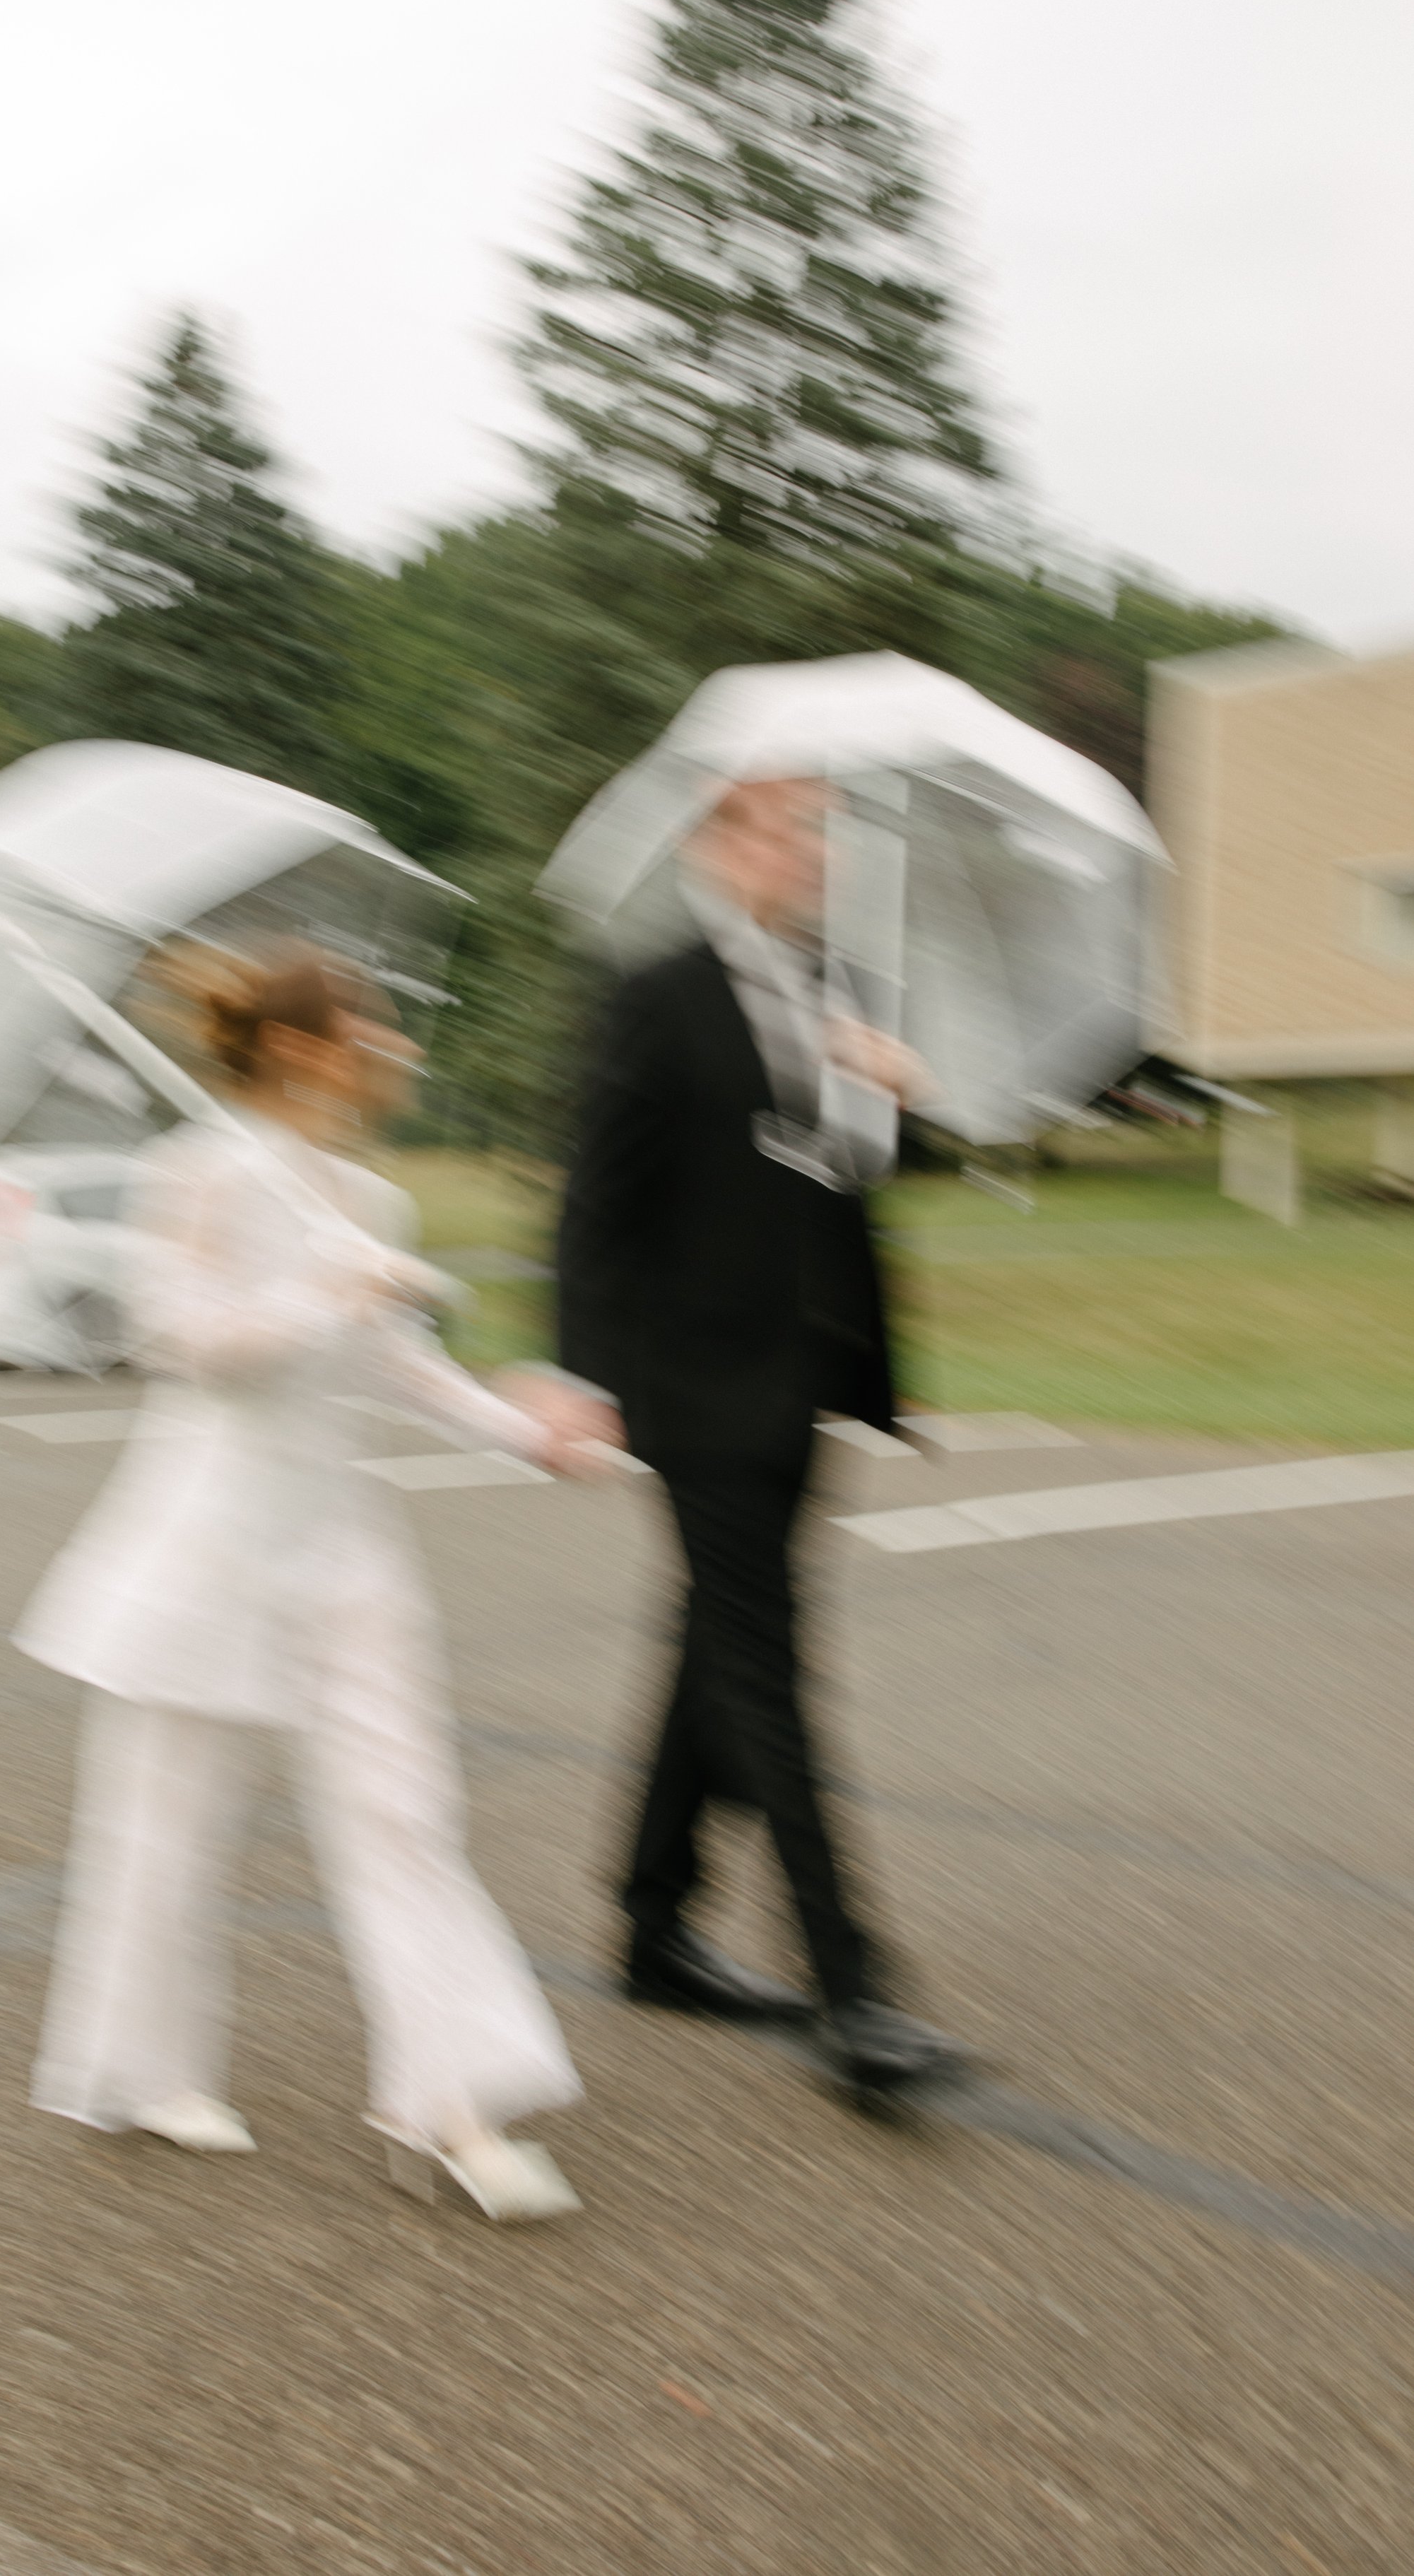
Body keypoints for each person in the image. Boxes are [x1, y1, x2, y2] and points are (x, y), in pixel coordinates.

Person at [20, 943, 599, 2220]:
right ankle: (141, 2069)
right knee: (161, 1829)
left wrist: (528, 1434)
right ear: (297, 1047)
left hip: (345, 1550)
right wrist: (324, 1294)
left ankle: (450, 2103)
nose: (395, 1044)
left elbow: (400, 1366)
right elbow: (182, 1342)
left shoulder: (367, 1196)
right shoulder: (200, 1170)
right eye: (369, 1023)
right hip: (203, 1545)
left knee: (404, 1811)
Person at [552, 777, 966, 2095]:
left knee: (717, 1650)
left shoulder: (837, 984)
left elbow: (844, 1183)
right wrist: (582, 1373)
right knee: (771, 1674)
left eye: (821, 827)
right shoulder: (658, 993)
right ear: (717, 845)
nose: (813, 850)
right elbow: (594, 1200)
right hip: (696, 1391)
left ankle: (654, 1919)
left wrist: (898, 1089)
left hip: (804, 1384)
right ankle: (852, 1987)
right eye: (786, 826)